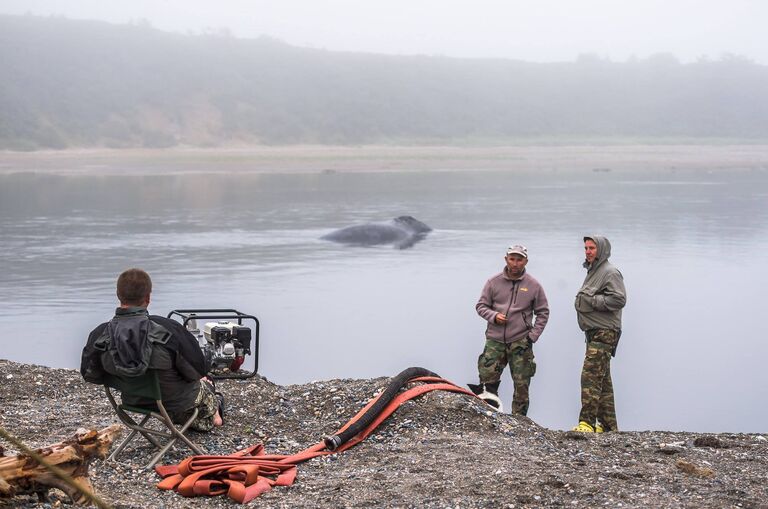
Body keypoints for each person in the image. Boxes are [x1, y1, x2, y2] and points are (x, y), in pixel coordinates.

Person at [81, 268, 223, 431]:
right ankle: (214, 416)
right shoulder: (167, 330)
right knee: (206, 381)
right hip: (175, 401)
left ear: (118, 295)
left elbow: (90, 374)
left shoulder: (100, 335)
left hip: (132, 400)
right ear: (148, 297)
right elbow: (198, 369)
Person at [474, 245, 550, 415]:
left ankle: (519, 423)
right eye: (512, 259)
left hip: (521, 342)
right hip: (494, 342)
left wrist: (532, 336)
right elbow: (480, 306)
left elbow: (543, 312)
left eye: (519, 259)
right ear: (506, 259)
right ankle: (489, 418)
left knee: (521, 387)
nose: (515, 263)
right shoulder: (493, 282)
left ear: (526, 261)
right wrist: (493, 316)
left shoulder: (533, 285)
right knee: (487, 383)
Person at [572, 235, 626, 433]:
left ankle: (586, 423)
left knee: (590, 377)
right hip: (593, 333)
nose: (588, 251)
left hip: (605, 333)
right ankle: (608, 426)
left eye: (592, 248)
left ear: (601, 249)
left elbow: (619, 299)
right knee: (603, 381)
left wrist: (592, 301)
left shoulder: (610, 272)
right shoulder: (593, 271)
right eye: (586, 248)